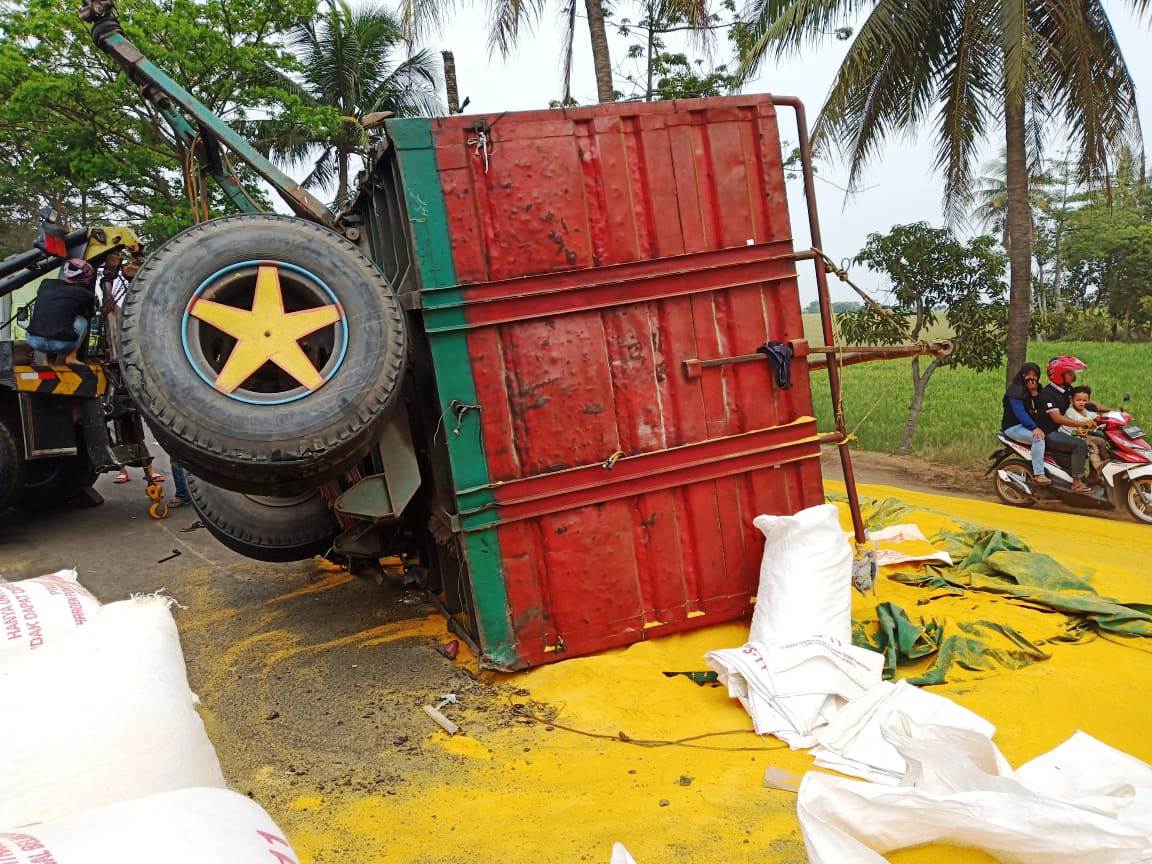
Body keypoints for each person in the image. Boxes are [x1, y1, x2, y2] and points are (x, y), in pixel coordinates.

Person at [25, 259, 97, 362]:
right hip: (61, 345)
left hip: (34, 341)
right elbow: (91, 313)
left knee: (48, 313)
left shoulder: (45, 283)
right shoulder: (85, 294)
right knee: (83, 320)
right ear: (86, 276)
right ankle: (72, 356)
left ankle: (46, 360)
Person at [1038, 355, 1092, 493]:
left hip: (1064, 430)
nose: (1073, 375)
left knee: (1099, 438)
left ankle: (1095, 476)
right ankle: (1077, 483)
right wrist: (1081, 424)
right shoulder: (1048, 394)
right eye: (1070, 373)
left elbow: (1084, 400)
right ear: (1059, 375)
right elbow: (1057, 419)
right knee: (1080, 444)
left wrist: (1111, 411)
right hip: (1050, 433)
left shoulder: (1066, 389)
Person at [1001, 362, 1052, 486]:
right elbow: (1020, 413)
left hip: (1029, 425)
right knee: (1038, 439)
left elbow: (1041, 408)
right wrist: (1034, 428)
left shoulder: (1038, 389)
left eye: (1034, 375)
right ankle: (1039, 474)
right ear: (1022, 375)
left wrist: (1034, 393)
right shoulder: (1015, 390)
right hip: (1014, 427)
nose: (1031, 378)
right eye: (1028, 374)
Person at [1060, 385, 1110, 476]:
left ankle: (1108, 461)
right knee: (1092, 445)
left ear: (1088, 401)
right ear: (1072, 400)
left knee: (1101, 441)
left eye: (1084, 400)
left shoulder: (1086, 411)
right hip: (1070, 435)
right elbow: (1081, 421)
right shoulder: (1070, 411)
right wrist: (1090, 423)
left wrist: (1109, 417)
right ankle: (1098, 466)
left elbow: (1096, 417)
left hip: (1081, 434)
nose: (1081, 403)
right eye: (1078, 400)